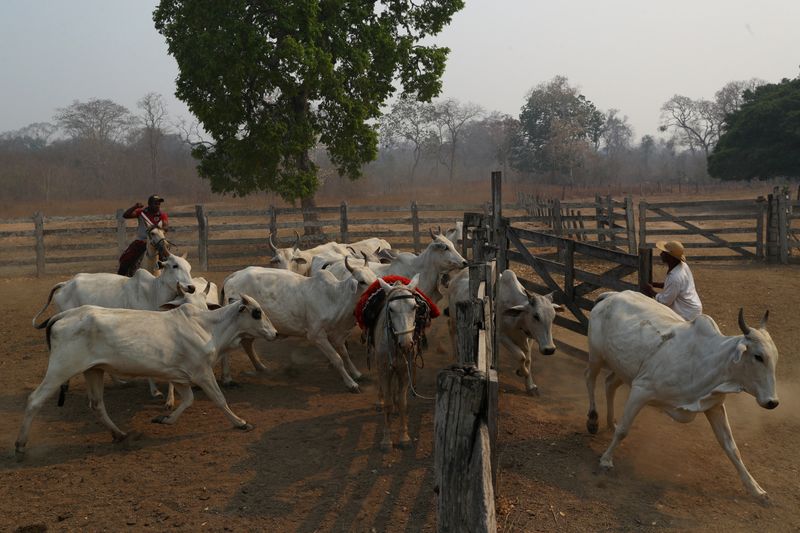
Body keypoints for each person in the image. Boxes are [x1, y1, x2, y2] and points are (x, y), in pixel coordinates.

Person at [642, 240, 703, 321]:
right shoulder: (682, 266)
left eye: (664, 253)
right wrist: (655, 284)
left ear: (670, 257)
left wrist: (651, 291)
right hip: (691, 308)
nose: (661, 254)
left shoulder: (675, 277)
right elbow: (674, 287)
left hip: (687, 313)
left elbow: (665, 301)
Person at [117, 195, 169, 276]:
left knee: (169, 260)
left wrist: (159, 230)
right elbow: (126, 215)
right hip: (141, 241)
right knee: (126, 259)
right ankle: (121, 277)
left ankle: (170, 278)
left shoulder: (162, 215)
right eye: (155, 204)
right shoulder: (141, 212)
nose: (158, 206)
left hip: (158, 241)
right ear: (150, 204)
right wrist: (135, 207)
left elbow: (166, 226)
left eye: (159, 204)